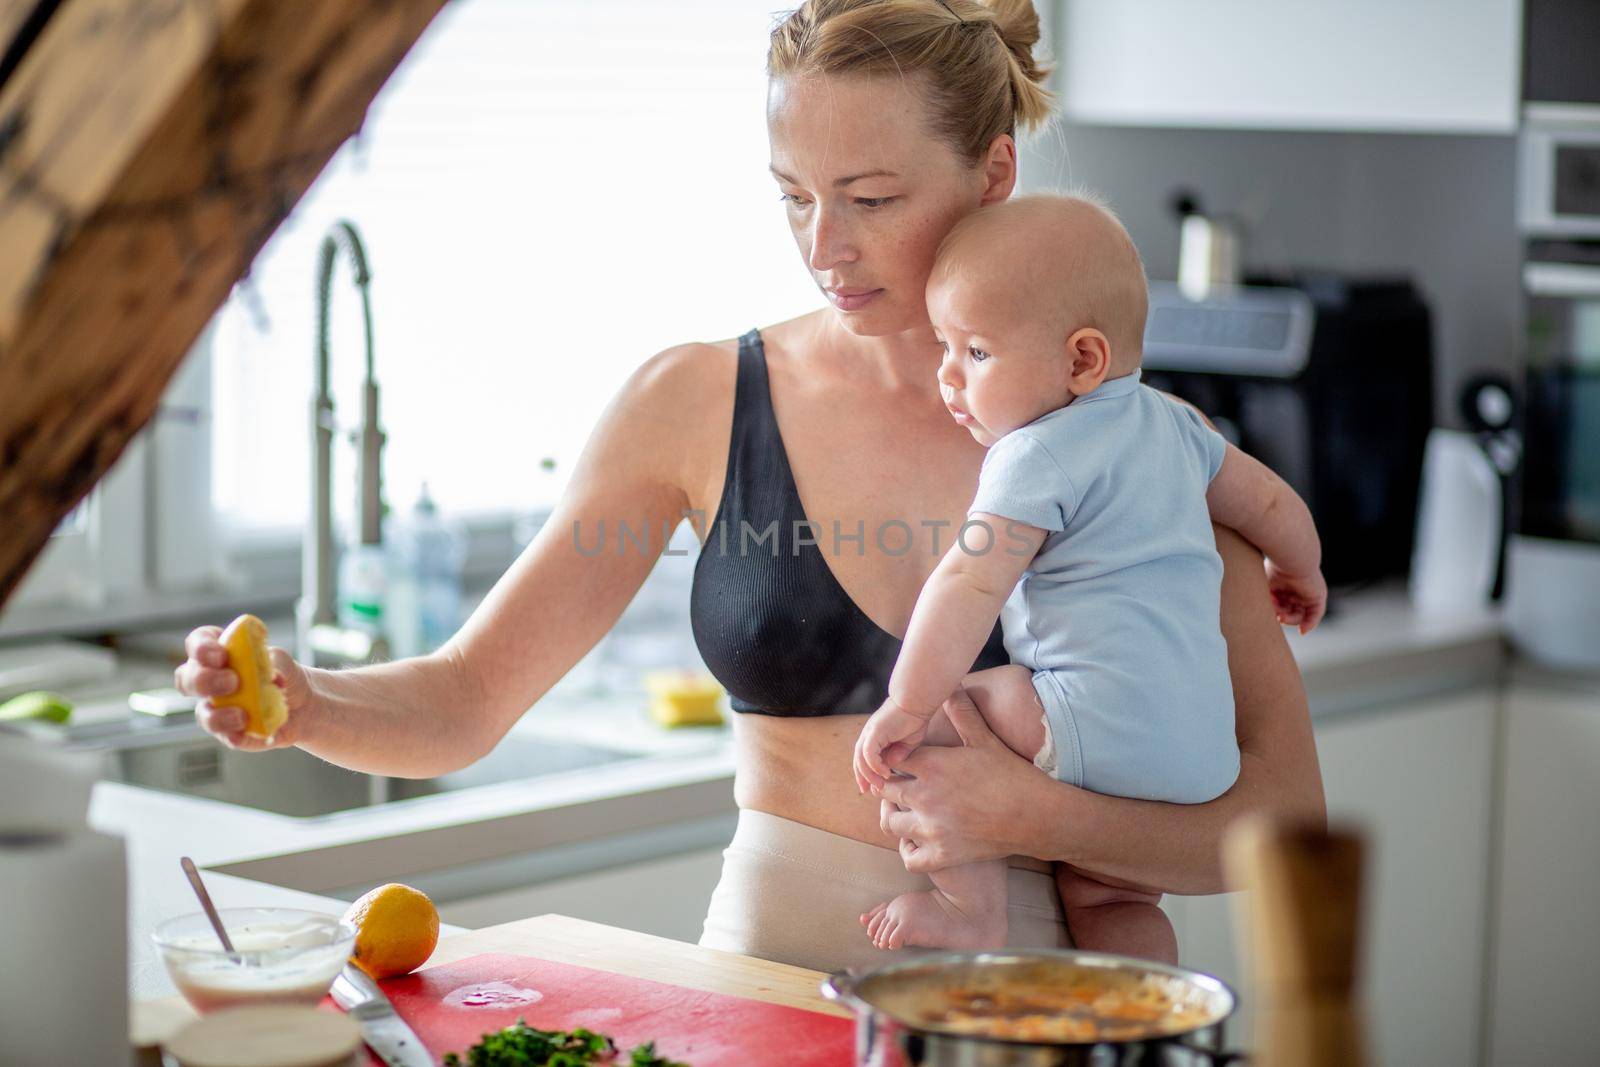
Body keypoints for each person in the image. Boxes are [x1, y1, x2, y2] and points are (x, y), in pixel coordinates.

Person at [174, 0, 1325, 973]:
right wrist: (306, 699)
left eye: (870, 199)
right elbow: (468, 699)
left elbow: (1279, 826)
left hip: (1043, 994)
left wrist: (1038, 818)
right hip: (765, 970)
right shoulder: (696, 401)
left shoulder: (1123, 434)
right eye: (793, 195)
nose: (825, 247)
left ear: (994, 170)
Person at [851, 193, 1326, 960]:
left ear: (1081, 360)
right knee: (1112, 893)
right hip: (1199, 754)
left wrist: (908, 703)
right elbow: (1271, 499)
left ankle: (971, 911)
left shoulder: (1033, 453)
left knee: (947, 714)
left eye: (975, 353)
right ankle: (1142, 996)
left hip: (1086, 719)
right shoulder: (1178, 425)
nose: (949, 377)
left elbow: (967, 583)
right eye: (945, 347)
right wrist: (1297, 569)